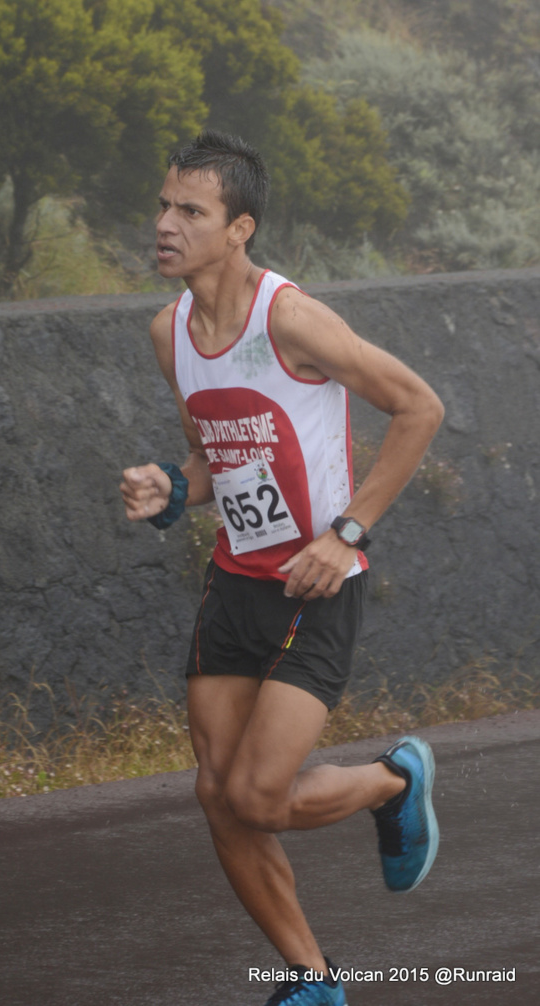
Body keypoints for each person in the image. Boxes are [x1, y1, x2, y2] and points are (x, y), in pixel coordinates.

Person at [120, 130, 443, 1006]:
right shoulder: (169, 332)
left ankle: (393, 780)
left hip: (316, 587)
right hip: (234, 586)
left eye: (191, 210)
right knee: (216, 794)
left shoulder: (289, 318)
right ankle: (312, 982)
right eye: (162, 204)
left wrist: (347, 532)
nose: (164, 224)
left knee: (258, 796)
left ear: (239, 229)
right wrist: (167, 488)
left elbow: (418, 405)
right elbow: (210, 462)